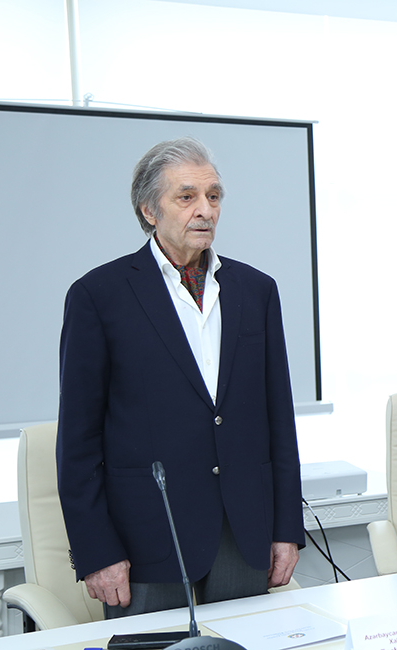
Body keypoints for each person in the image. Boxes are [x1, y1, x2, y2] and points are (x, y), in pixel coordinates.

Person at [56, 137, 304, 617]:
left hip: (242, 530)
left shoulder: (256, 290)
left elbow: (279, 419)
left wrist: (286, 528)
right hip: (148, 533)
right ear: (149, 210)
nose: (205, 210)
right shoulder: (98, 295)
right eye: (186, 197)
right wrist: (96, 551)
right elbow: (78, 441)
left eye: (213, 196)